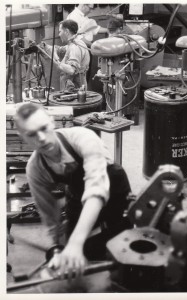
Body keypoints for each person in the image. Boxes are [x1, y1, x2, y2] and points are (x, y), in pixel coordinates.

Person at [14, 102, 131, 278]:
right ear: (22, 136)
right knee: (80, 253)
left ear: (52, 122)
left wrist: (76, 243)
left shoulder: (83, 138)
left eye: (44, 128)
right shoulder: (35, 169)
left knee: (121, 243)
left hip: (112, 187)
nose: (42, 138)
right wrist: (59, 249)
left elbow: (96, 190)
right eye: (32, 134)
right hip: (77, 194)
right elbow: (51, 217)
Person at [41, 19, 90, 91]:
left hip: (74, 93)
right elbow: (59, 50)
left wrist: (57, 61)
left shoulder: (75, 47)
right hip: (71, 91)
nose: (59, 34)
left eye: (60, 31)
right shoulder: (73, 44)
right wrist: (44, 46)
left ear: (66, 32)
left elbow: (71, 70)